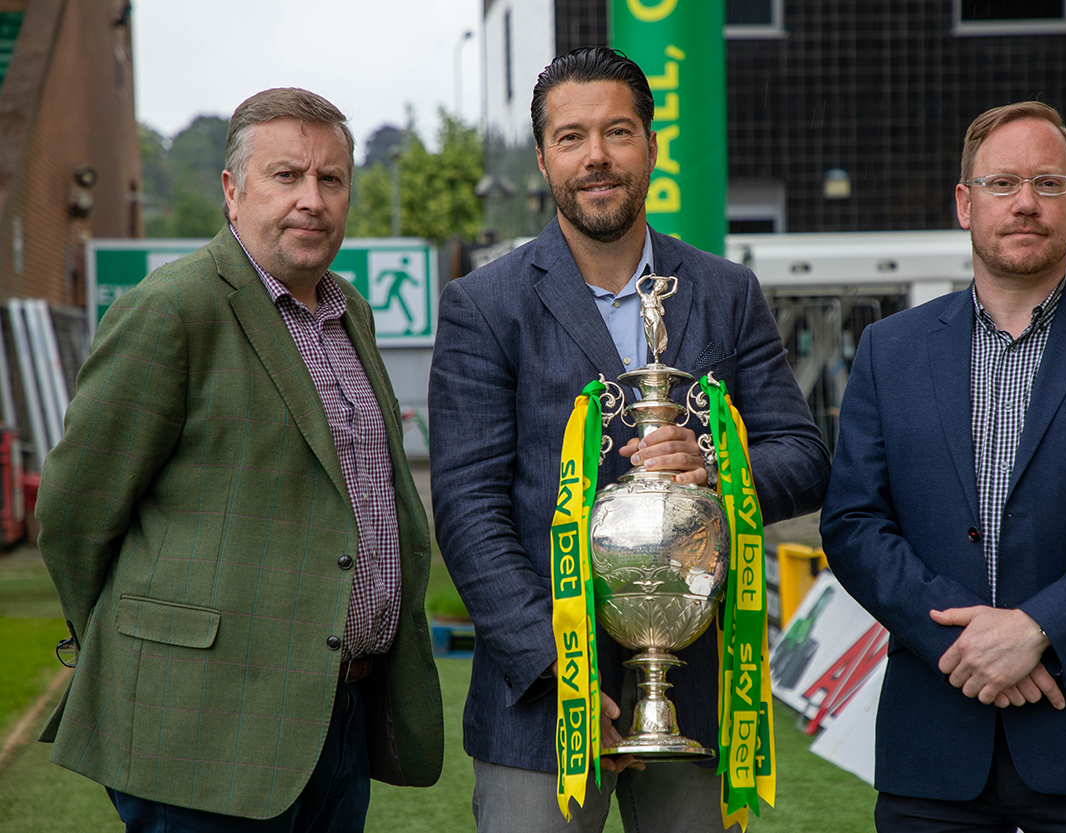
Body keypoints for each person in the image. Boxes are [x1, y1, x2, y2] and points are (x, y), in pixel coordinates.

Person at [429, 47, 830, 833]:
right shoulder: (483, 305)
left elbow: (803, 456)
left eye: (618, 132)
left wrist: (716, 464)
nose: (597, 157)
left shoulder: (726, 292)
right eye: (571, 137)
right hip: (538, 704)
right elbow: (469, 507)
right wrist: (560, 673)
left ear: (651, 145)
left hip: (701, 689)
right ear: (544, 156)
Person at [36, 87, 443, 831]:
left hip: (340, 718)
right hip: (202, 729)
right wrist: (146, 654)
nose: (311, 200)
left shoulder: (349, 311)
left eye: (330, 179)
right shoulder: (174, 307)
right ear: (233, 189)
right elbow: (74, 512)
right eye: (286, 175)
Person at [820, 100, 1066, 832]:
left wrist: (1041, 626)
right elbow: (853, 522)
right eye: (1002, 184)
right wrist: (965, 645)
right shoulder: (890, 350)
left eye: (1047, 181)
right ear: (965, 205)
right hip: (934, 754)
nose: (1026, 203)